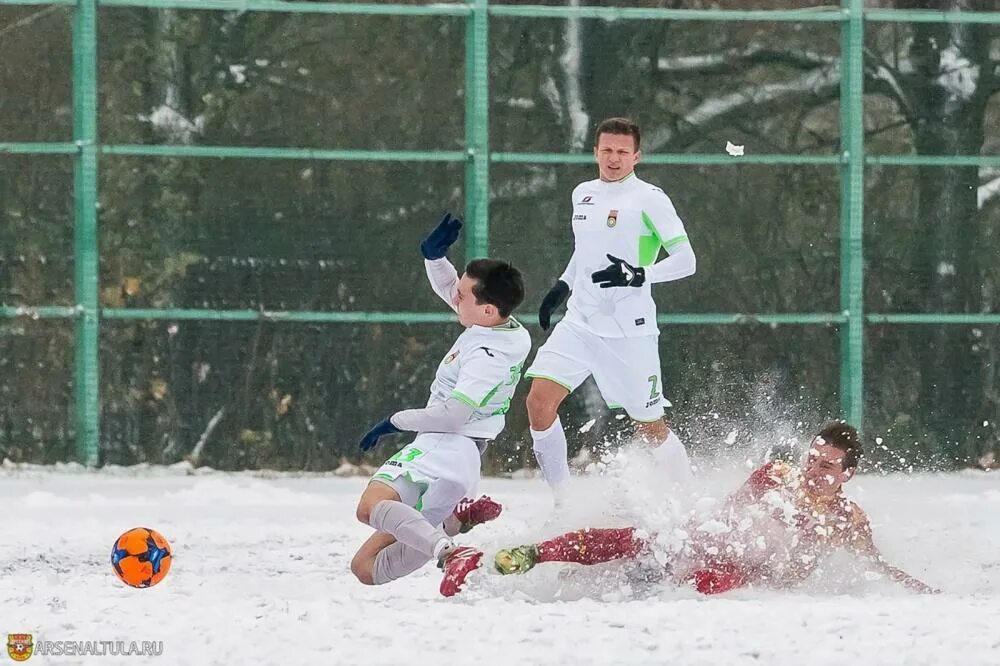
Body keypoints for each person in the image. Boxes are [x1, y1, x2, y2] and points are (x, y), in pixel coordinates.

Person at [484, 422, 939, 595]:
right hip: (718, 540)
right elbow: (729, 509)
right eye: (813, 458)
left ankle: (616, 587)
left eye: (828, 465)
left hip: (750, 574)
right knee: (644, 540)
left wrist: (920, 588)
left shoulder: (848, 519)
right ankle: (539, 554)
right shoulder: (779, 475)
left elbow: (872, 564)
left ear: (847, 474)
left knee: (707, 583)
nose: (815, 468)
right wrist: (698, 531)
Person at [350, 212, 531, 597]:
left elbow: (454, 415)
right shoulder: (504, 327)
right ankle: (451, 525)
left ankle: (450, 552)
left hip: (444, 443)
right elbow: (456, 290)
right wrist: (435, 257)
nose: (454, 296)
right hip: (463, 458)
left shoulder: (485, 354)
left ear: (485, 310)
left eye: (462, 295)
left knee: (369, 507)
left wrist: (394, 421)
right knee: (365, 568)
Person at [526, 117, 698, 500]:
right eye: (607, 150)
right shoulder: (583, 193)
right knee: (538, 400)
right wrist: (563, 285)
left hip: (629, 331)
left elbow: (687, 261)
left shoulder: (650, 199)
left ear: (636, 156)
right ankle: (563, 502)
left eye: (622, 152)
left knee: (650, 426)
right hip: (580, 323)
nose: (614, 159)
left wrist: (639, 274)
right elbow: (585, 251)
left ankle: (689, 506)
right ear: (595, 152)